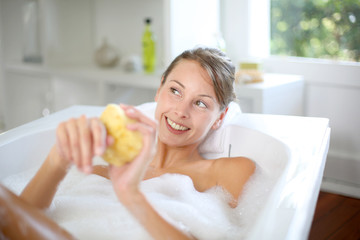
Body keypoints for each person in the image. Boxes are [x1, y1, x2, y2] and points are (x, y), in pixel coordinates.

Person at [0, 47, 255, 239]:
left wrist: (130, 194)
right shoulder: (104, 169)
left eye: (200, 103)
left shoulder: (229, 172)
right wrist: (58, 160)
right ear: (159, 90)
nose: (181, 111)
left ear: (219, 118)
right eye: (175, 91)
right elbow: (20, 225)